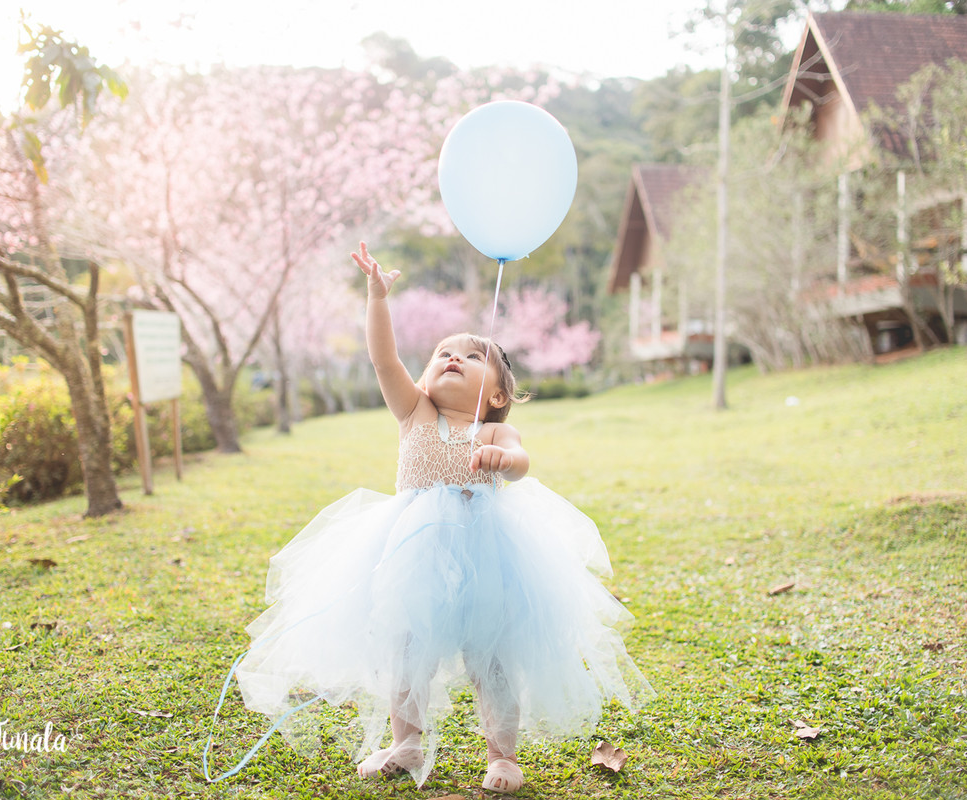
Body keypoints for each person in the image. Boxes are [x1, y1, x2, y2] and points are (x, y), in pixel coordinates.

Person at [232, 243, 652, 794]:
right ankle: (405, 742)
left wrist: (504, 459)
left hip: (488, 556)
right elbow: (384, 359)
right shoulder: (415, 412)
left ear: (497, 393)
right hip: (413, 556)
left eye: (472, 357)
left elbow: (521, 462)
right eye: (443, 353)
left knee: (492, 658)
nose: (453, 357)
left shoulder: (495, 430)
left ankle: (502, 755)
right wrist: (377, 299)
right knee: (407, 652)